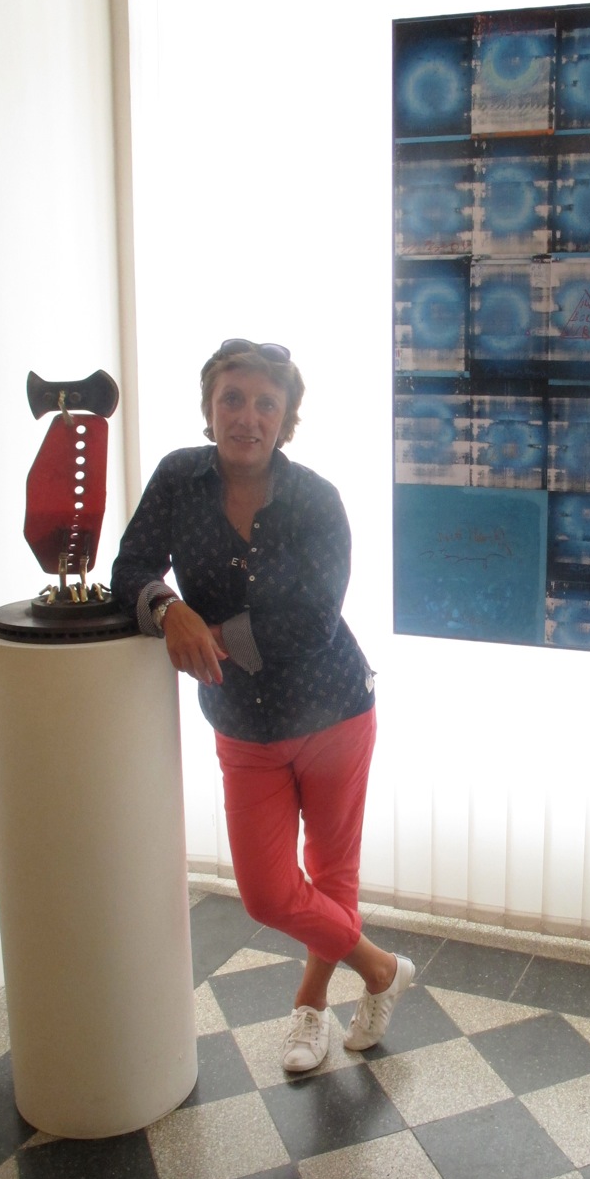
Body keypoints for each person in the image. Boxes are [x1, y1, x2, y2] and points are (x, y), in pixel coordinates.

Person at [111, 338, 413, 1072]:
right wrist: (166, 608)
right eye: (233, 399)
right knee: (268, 894)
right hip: (243, 722)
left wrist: (205, 633)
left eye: (265, 404)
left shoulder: (317, 499)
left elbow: (312, 620)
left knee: (332, 875)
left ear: (285, 418)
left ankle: (310, 1008)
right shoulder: (178, 478)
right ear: (210, 408)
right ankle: (381, 969)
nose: (247, 417)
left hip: (333, 711)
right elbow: (131, 567)